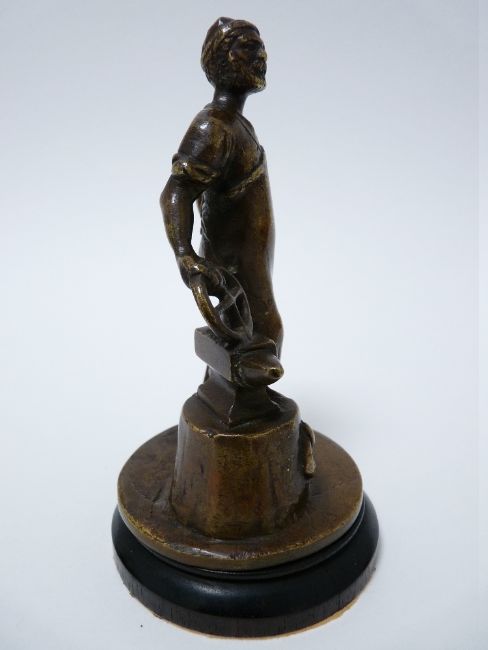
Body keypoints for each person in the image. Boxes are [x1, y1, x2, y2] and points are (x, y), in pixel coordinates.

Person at [160, 17, 283, 356]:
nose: (262, 56)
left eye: (262, 47)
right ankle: (231, 390)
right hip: (233, 266)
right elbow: (175, 192)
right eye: (249, 47)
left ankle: (223, 387)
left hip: (249, 265)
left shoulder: (236, 125)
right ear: (223, 58)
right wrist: (184, 254)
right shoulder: (212, 127)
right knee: (264, 335)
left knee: (251, 338)